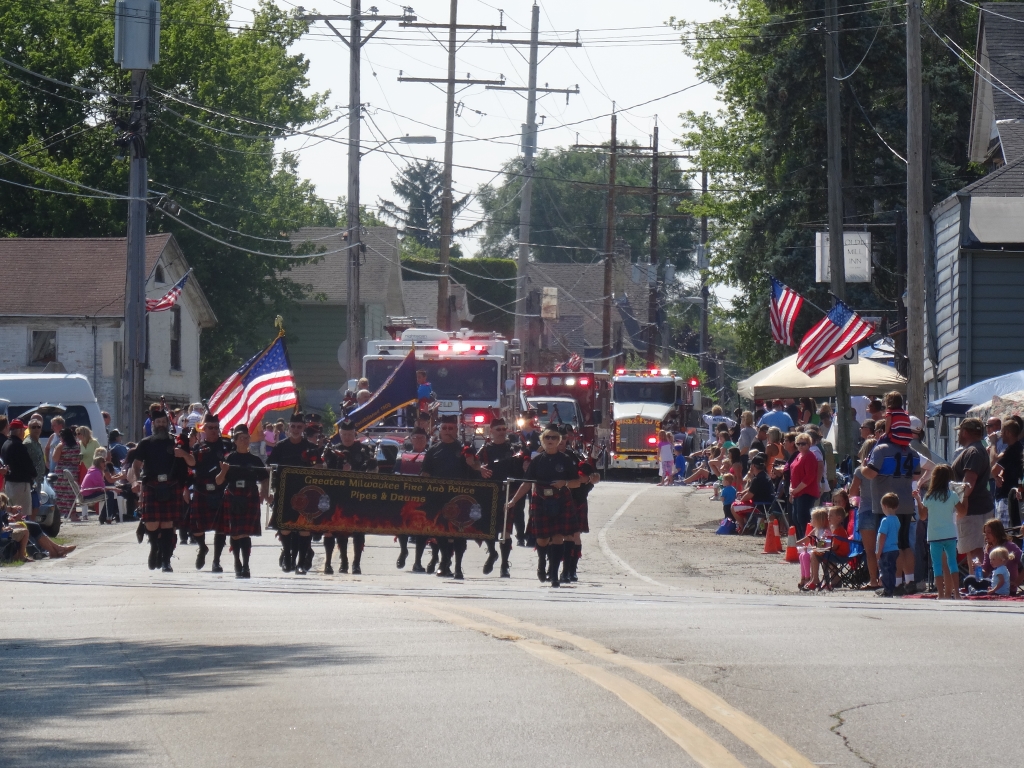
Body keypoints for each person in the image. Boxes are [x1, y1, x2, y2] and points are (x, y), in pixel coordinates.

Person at [504, 425, 581, 588]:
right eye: (547, 437)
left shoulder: (565, 460)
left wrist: (564, 483)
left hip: (561, 500)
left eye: (554, 437)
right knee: (542, 539)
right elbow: (527, 483)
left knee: (558, 537)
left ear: (559, 440)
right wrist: (513, 501)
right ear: (542, 440)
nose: (551, 440)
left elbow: (576, 482)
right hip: (540, 500)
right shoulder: (537, 460)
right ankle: (541, 562)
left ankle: (554, 574)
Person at [421, 413, 488, 579]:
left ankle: (458, 566)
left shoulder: (465, 449)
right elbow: (425, 473)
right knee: (441, 533)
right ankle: (445, 562)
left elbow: (476, 468)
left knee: (459, 534)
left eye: (451, 428)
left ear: (456, 429)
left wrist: (472, 463)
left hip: (461, 497)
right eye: (444, 428)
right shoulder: (433, 451)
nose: (447, 431)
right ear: (439, 430)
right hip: (439, 497)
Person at [131, 406, 195, 572]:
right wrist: (135, 481)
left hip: (172, 485)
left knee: (167, 524)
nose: (160, 424)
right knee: (151, 524)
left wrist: (184, 454)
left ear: (168, 423)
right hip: (151, 484)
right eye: (158, 422)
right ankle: (155, 548)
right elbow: (136, 465)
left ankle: (166, 561)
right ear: (153, 424)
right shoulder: (146, 443)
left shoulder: (177, 442)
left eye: (163, 421)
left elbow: (192, 463)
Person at [860, 430, 922, 594]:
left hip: (886, 504)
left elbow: (870, 473)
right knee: (904, 544)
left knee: (890, 545)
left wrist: (863, 465)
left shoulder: (881, 450)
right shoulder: (913, 452)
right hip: (906, 503)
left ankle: (895, 583)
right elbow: (916, 476)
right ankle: (909, 581)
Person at [267, 412, 321, 574]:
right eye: (293, 426)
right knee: (285, 527)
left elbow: (320, 467)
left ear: (304, 428)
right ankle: (288, 558)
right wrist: (268, 491)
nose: (296, 429)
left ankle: (302, 561)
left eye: (299, 426)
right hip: (284, 491)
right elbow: (270, 469)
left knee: (304, 527)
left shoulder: (310, 447)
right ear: (288, 427)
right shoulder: (280, 447)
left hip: (306, 492)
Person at [321, 418, 378, 575]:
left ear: (354, 434)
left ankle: (356, 563)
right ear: (340, 434)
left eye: (350, 434)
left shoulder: (364, 451)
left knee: (358, 530)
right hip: (338, 496)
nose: (347, 437)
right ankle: (344, 561)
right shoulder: (332, 451)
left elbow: (371, 472)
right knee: (338, 530)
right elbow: (325, 472)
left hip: (358, 496)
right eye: (344, 434)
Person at [214, 424, 270, 578]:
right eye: (241, 438)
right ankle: (237, 561)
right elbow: (218, 481)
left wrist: (264, 492)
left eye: (247, 438)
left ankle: (246, 565)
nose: (245, 441)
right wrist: (224, 471)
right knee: (236, 533)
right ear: (236, 441)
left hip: (250, 495)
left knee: (245, 533)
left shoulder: (255, 460)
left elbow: (265, 478)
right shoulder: (229, 458)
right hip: (232, 496)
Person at [473, 417, 525, 578]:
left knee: (506, 530)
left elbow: (521, 469)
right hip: (489, 493)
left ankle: (504, 565)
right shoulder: (485, 450)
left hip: (507, 492)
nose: (502, 432)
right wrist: (480, 469)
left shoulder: (513, 448)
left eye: (504, 429)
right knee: (488, 529)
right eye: (498, 430)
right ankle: (492, 553)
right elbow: (473, 465)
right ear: (491, 431)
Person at [188, 413, 232, 571]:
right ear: (204, 428)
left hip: (221, 490)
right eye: (210, 428)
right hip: (202, 490)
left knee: (221, 528)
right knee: (196, 527)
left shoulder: (226, 445)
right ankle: (202, 547)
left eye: (216, 427)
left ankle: (216, 561)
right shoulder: (197, 447)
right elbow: (192, 466)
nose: (213, 431)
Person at [951, 418, 994, 570]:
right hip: (978, 508)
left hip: (973, 510)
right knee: (974, 549)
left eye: (960, 432)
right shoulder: (976, 449)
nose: (958, 436)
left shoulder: (973, 451)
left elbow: (968, 483)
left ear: (965, 432)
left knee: (976, 548)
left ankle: (979, 584)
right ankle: (975, 584)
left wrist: (960, 504)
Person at [914, 465, 960, 600]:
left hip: (934, 535)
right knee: (952, 563)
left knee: (937, 566)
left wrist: (918, 499)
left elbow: (923, 516)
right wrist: (965, 496)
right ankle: (956, 593)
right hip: (950, 534)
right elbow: (962, 511)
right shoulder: (952, 495)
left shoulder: (929, 496)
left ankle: (941, 594)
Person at [395, 426, 433, 572]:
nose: (419, 441)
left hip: (425, 497)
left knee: (421, 529)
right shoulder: (402, 455)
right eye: (416, 438)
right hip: (406, 495)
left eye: (422, 438)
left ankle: (418, 561)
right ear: (411, 439)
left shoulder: (432, 455)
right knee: (402, 525)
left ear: (427, 440)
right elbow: (396, 472)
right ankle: (404, 550)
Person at [849, 438, 880, 589]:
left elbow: (853, 492)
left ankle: (873, 580)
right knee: (884, 548)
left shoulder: (860, 471)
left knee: (870, 550)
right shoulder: (883, 468)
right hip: (883, 510)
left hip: (866, 509)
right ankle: (886, 578)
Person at [804, 506, 850, 591]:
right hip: (835, 552)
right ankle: (832, 579)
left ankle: (815, 579)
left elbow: (834, 547)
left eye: (831, 515)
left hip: (840, 554)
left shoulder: (838, 530)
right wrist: (819, 546)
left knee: (815, 554)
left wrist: (821, 548)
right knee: (816, 552)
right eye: (828, 515)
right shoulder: (832, 529)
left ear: (838, 518)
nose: (828, 517)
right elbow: (825, 540)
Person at [1, 420, 36, 517]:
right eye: (23, 430)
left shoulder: (6, 444)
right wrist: (34, 474)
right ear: (20, 431)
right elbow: (28, 465)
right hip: (20, 484)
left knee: (11, 513)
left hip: (8, 483)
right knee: (21, 513)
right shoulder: (19, 446)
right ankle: (22, 531)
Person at [992, 420, 1023, 529]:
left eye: (1002, 432)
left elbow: (993, 468)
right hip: (1016, 497)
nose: (1001, 435)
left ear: (1008, 433)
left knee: (1005, 534)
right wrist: (998, 475)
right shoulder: (1020, 448)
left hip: (1006, 497)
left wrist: (992, 444)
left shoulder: (1011, 451)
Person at [788, 434, 820, 536]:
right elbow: (792, 474)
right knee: (795, 518)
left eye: (803, 444)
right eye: (798, 444)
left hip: (806, 493)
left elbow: (809, 477)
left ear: (809, 444)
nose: (801, 446)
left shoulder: (810, 456)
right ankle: (800, 542)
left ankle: (806, 542)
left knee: (803, 519)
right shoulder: (798, 455)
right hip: (797, 493)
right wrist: (791, 490)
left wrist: (796, 489)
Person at [876, 493, 902, 597]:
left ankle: (887, 589)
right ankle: (891, 587)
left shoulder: (885, 520)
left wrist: (879, 551)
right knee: (892, 569)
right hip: (895, 548)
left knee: (885, 569)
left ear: (884, 506)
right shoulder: (897, 520)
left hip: (886, 549)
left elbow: (882, 536)